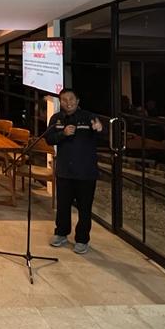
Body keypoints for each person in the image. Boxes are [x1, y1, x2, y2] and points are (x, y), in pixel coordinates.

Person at [45, 88, 103, 255]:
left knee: (84, 209)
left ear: (77, 101)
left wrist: (100, 129)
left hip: (86, 172)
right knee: (63, 206)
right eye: (64, 100)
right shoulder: (57, 119)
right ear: (60, 102)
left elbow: (101, 137)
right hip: (65, 171)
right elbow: (49, 139)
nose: (68, 103)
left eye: (71, 99)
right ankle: (61, 233)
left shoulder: (89, 117)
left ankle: (82, 239)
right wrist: (63, 134)